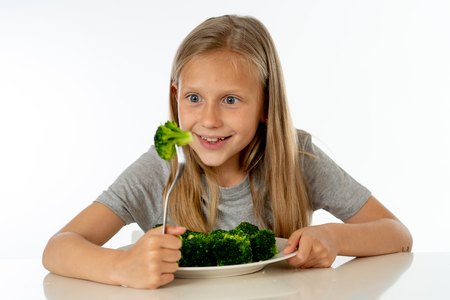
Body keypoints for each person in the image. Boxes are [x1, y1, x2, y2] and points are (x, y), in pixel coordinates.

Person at [42, 15, 412, 289]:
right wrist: (121, 266)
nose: (209, 119)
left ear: (266, 105)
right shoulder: (162, 167)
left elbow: (397, 234)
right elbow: (58, 248)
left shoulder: (296, 158)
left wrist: (334, 238)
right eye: (194, 98)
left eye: (230, 100)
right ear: (176, 96)